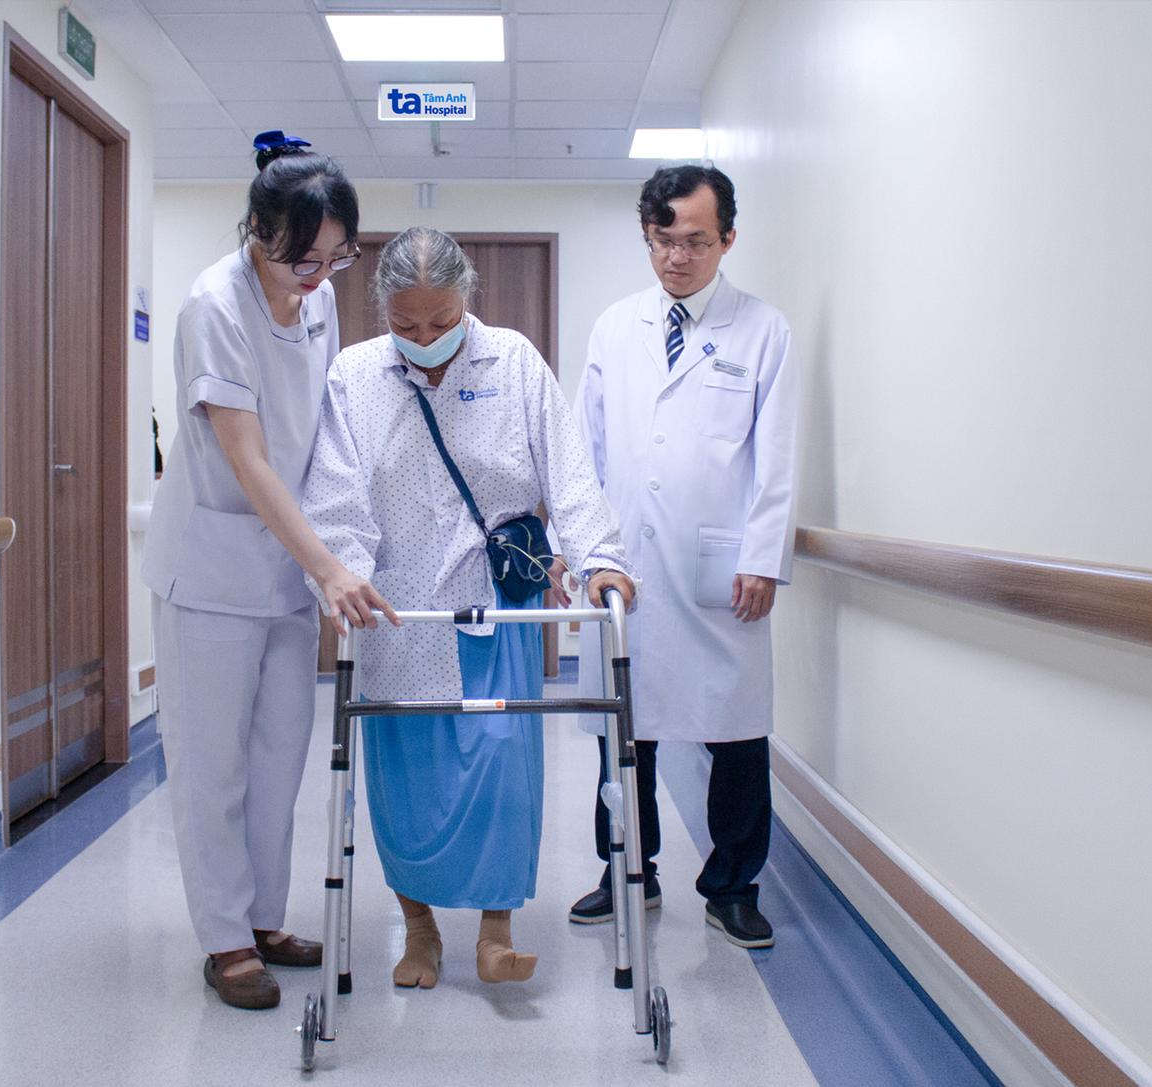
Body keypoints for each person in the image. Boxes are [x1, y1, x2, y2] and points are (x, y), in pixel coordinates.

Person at [302, 227, 636, 988]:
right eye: (406, 324)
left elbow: (570, 472)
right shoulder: (354, 375)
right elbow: (335, 495)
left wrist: (601, 561)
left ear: (468, 301)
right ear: (382, 311)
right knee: (406, 780)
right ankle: (419, 930)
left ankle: (495, 931)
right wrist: (342, 574)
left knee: (500, 765)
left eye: (441, 321)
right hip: (394, 613)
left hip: (492, 606)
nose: (424, 339)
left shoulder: (512, 361)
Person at [141, 132, 396, 1011]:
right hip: (211, 573)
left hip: (287, 570)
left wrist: (336, 547)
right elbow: (247, 457)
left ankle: (263, 919)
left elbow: (319, 429)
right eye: (301, 259)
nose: (318, 277)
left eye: (336, 258)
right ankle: (224, 939)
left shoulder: (317, 301)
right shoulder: (213, 305)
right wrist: (328, 566)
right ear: (258, 233)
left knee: (280, 757)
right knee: (213, 765)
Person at [568, 165, 799, 949]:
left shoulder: (763, 330)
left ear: (728, 238)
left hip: (722, 570)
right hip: (625, 566)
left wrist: (763, 556)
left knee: (735, 733)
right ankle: (626, 870)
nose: (676, 257)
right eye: (662, 240)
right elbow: (586, 450)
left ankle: (733, 886)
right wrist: (581, 549)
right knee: (623, 730)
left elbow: (776, 457)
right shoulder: (615, 327)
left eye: (696, 241)